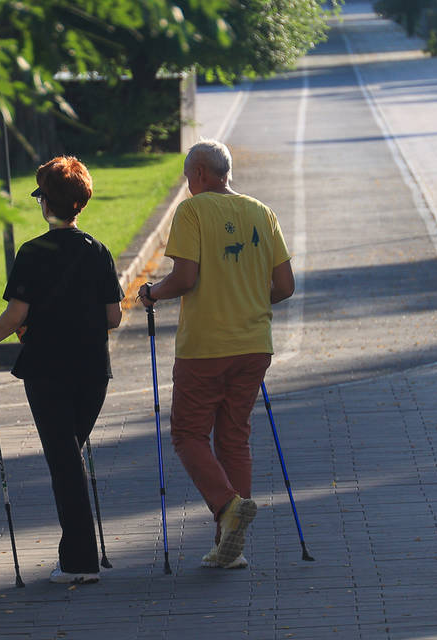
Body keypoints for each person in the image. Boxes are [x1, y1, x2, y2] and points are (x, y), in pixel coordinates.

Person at [138, 139, 295, 569]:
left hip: (205, 346)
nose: (189, 184)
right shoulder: (262, 212)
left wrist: (152, 293)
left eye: (190, 176)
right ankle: (231, 546)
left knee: (188, 435)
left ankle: (227, 506)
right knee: (233, 436)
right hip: (253, 345)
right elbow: (284, 287)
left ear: (201, 173)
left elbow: (185, 277)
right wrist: (250, 302)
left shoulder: (192, 211)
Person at [0, 156, 124, 585]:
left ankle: (79, 561)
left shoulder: (32, 252)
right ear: (81, 203)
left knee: (63, 460)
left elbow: (15, 312)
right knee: (69, 455)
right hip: (94, 370)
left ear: (46, 204)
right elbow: (113, 317)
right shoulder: (98, 251)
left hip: (47, 370)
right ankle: (75, 555)